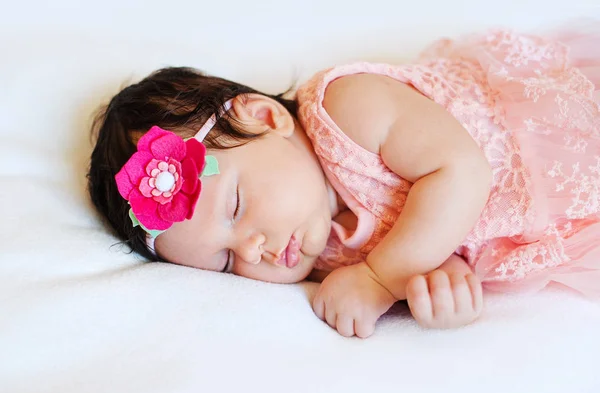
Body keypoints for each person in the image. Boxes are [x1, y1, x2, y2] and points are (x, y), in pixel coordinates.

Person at [88, 25, 600, 338]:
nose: (253, 249)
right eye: (224, 262)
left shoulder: (346, 108)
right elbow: (428, 243)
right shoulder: (324, 262)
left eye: (237, 205)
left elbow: (460, 171)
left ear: (266, 118)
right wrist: (436, 285)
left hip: (559, 143)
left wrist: (382, 278)